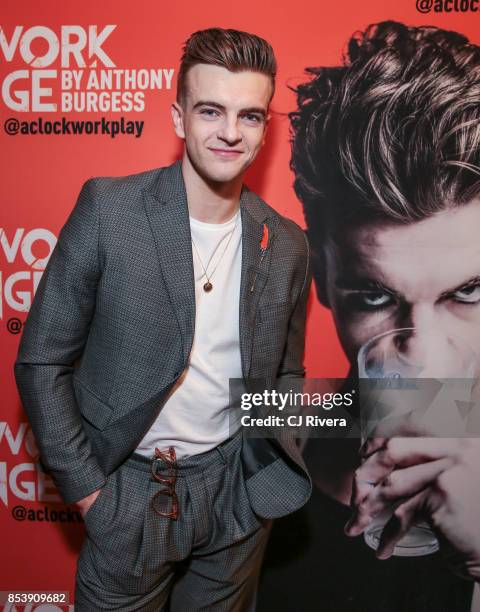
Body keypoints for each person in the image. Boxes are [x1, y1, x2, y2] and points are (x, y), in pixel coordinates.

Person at [13, 27, 312, 611]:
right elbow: (42, 360)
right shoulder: (109, 209)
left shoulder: (290, 245)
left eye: (250, 116)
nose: (230, 132)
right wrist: (91, 494)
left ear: (266, 128)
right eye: (210, 111)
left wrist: (268, 467)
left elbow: (287, 373)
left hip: (235, 495)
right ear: (178, 118)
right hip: (129, 492)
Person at [258, 20, 480, 611]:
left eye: (471, 293)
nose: (423, 357)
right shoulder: (266, 444)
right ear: (322, 276)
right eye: (376, 298)